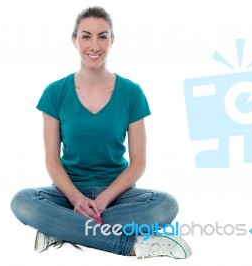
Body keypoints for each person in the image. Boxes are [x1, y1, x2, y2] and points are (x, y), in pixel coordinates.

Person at [11, 6, 191, 259]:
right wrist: (76, 200)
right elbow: (51, 160)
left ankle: (60, 228)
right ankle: (129, 245)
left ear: (112, 40)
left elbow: (138, 163)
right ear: (74, 40)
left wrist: (104, 199)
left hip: (118, 194)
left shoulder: (131, 93)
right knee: (22, 201)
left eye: (102, 36)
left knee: (167, 205)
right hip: (67, 191)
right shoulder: (55, 92)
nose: (94, 45)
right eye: (86, 36)